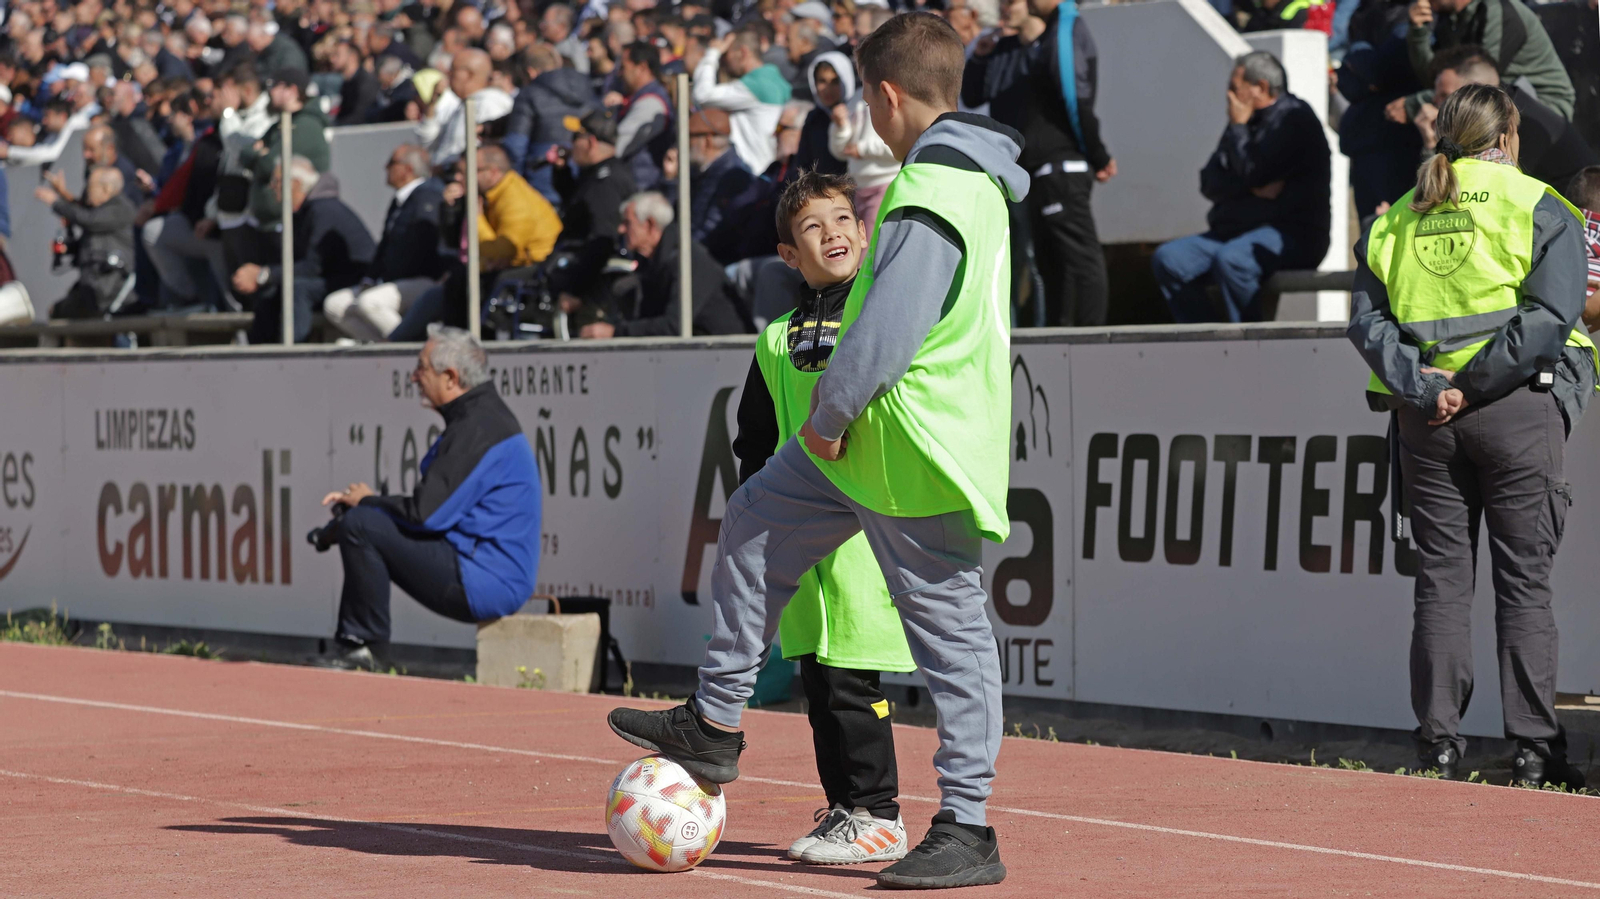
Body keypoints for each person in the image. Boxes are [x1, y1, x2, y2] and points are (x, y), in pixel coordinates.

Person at [607, 13, 1022, 889]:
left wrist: (830, 414)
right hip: (873, 442)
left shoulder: (937, 185)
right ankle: (716, 721)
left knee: (954, 640)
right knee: (754, 516)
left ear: (884, 95)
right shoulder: (963, 175)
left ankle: (969, 825)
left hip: (910, 443)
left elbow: (889, 329)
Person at [1348, 84, 1595, 788]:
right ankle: (1532, 750)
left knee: (1442, 586)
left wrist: (1431, 386)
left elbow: (1366, 324)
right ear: (1508, 136)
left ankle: (1440, 745)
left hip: (1425, 419)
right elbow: (1551, 316)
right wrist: (1476, 383)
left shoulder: (1397, 214)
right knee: (1524, 586)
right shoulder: (1541, 205)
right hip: (1516, 408)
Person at [732, 169, 915, 865]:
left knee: (852, 679)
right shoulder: (775, 339)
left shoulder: (883, 312)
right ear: (788, 254)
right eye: (812, 227)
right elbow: (755, 439)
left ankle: (881, 811)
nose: (832, 234)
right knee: (818, 676)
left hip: (866, 533)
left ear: (864, 233)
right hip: (801, 542)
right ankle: (846, 806)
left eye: (842, 220)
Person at [312, 325, 540, 671]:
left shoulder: (478, 429)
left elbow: (425, 515)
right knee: (363, 521)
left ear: (450, 377)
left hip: (488, 581)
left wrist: (367, 502)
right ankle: (360, 646)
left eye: (422, 368)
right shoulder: (479, 418)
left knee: (362, 524)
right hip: (481, 567)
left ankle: (364, 648)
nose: (415, 376)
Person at [963, 0, 1115, 327]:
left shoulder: (1058, 41)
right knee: (1045, 265)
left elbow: (1076, 102)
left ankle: (1091, 340)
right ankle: (1059, 339)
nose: (1005, 7)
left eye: (1012, 1)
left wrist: (1097, 154)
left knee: (1078, 261)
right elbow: (973, 95)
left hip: (1059, 169)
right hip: (1021, 176)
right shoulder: (1001, 48)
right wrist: (979, 56)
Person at [1151, 51, 1331, 323]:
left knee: (1233, 260)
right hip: (1235, 232)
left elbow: (1253, 172)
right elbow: (1209, 181)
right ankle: (1209, 344)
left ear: (1260, 88)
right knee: (1170, 259)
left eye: (1235, 88)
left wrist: (1239, 137)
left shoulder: (1294, 119)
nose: (1229, 96)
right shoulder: (1242, 121)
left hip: (1290, 235)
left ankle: (1252, 348)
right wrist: (1249, 187)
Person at [1417, 46, 1599, 208]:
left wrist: (1433, 145)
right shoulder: (1509, 111)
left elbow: (1478, 198)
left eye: (1446, 96)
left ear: (1474, 94)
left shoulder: (1520, 124)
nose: (1436, 103)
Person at [237, 158, 376, 343]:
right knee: (273, 291)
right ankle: (260, 354)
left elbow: (312, 267)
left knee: (298, 289)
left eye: (277, 181)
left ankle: (294, 353)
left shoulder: (323, 210)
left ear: (295, 184)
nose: (272, 186)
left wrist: (264, 275)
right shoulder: (304, 212)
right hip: (330, 277)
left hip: (355, 281)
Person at [579, 190, 750, 337]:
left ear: (650, 225)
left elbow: (675, 325)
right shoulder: (652, 261)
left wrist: (615, 332)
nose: (621, 230)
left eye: (627, 223)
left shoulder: (688, 260)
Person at [324, 144, 446, 342]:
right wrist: (371, 278)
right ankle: (385, 347)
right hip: (392, 280)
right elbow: (386, 245)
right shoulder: (400, 200)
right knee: (336, 304)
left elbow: (422, 246)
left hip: (423, 279)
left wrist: (387, 278)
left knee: (370, 303)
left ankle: (411, 347)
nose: (385, 167)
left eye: (392, 163)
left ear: (408, 169)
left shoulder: (427, 195)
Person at [1396, 0, 1574, 121]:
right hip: (1497, 99)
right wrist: (1418, 33)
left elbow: (1480, 82)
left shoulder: (1500, 10)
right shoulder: (1450, 19)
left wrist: (1412, 104)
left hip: (1545, 108)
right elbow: (1436, 78)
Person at [550, 109, 637, 302]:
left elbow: (602, 241)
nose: (571, 144)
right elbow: (577, 206)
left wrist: (575, 291)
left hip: (588, 280)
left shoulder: (606, 182)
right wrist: (562, 173)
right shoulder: (596, 173)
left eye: (576, 137)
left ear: (591, 142)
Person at [36, 166, 137, 319]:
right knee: (57, 312)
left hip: (111, 287)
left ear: (107, 189)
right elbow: (90, 238)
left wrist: (56, 202)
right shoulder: (99, 210)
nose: (87, 191)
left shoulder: (120, 208)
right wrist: (69, 248)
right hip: (92, 285)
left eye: (91, 187)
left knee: (60, 312)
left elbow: (89, 220)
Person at [502, 43, 596, 202]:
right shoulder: (589, 90)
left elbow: (515, 146)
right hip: (584, 184)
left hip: (540, 185)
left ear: (530, 72)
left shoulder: (529, 94)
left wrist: (511, 189)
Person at [692, 27, 792, 174]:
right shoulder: (777, 80)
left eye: (727, 54)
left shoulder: (755, 86)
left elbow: (702, 95)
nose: (724, 61)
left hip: (754, 173)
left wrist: (713, 53)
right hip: (769, 171)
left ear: (743, 52)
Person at [417, 49, 515, 169]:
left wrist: (451, 170)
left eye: (452, 70)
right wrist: (432, 105)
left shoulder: (490, 103)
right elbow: (428, 144)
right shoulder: (460, 104)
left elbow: (488, 157)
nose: (447, 75)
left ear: (468, 74)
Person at [682, 107, 756, 243]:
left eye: (690, 137)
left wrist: (683, 250)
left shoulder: (732, 176)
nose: (684, 144)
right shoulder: (703, 170)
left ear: (707, 140)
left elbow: (712, 230)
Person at [611, 40, 674, 190]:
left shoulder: (651, 102)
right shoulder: (640, 97)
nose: (619, 73)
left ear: (642, 68)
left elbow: (619, 146)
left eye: (623, 67)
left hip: (642, 187)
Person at [332, 41, 380, 126]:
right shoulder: (347, 83)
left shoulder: (366, 83)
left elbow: (360, 116)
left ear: (352, 57)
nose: (332, 59)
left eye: (337, 55)